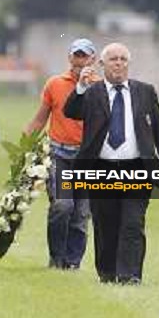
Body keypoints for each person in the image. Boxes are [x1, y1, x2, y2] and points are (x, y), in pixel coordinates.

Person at [64, 42, 159, 285]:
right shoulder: (93, 93)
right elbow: (70, 111)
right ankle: (107, 272)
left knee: (133, 223)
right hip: (101, 168)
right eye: (113, 59)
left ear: (128, 63)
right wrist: (80, 88)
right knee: (105, 224)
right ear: (102, 64)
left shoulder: (145, 92)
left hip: (136, 168)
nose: (118, 63)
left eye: (123, 59)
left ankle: (130, 275)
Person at [25, 38, 99, 270]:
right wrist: (24, 145)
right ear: (69, 58)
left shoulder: (101, 87)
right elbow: (40, 118)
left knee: (81, 214)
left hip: (87, 159)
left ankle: (72, 263)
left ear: (93, 60)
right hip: (60, 156)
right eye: (76, 55)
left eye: (84, 56)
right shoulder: (54, 84)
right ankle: (56, 258)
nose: (80, 61)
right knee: (63, 205)